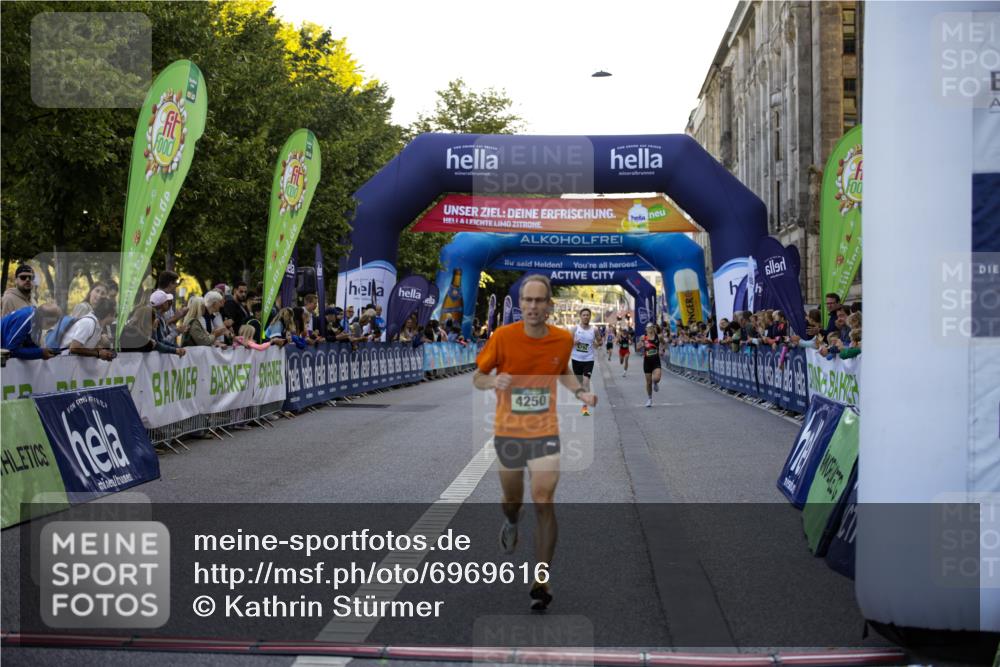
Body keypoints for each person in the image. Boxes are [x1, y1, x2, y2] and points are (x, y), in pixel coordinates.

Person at [473, 274, 597, 612]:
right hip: (508, 431)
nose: (532, 306)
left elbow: (563, 370)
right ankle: (512, 521)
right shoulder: (502, 337)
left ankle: (541, 580)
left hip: (545, 431)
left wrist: (580, 391)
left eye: (539, 300)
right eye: (527, 300)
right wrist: (493, 380)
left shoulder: (561, 340)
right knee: (512, 501)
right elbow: (478, 376)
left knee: (543, 499)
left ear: (549, 307)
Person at [569, 307, 603, 416]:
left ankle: (584, 408)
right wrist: (574, 343)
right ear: (580, 316)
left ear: (590, 317)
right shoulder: (575, 329)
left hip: (589, 360)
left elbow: (600, 342)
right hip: (576, 359)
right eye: (584, 315)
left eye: (587, 315)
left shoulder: (594, 330)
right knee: (580, 385)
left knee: (586, 382)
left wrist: (597, 344)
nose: (586, 317)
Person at [639, 322, 663, 408]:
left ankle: (655, 383)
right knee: (648, 382)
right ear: (646, 329)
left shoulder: (658, 337)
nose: (650, 329)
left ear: (653, 328)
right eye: (648, 328)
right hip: (647, 362)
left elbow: (663, 343)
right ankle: (649, 399)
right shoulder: (643, 337)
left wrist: (662, 349)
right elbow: (638, 348)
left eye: (651, 327)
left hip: (656, 360)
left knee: (656, 378)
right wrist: (641, 344)